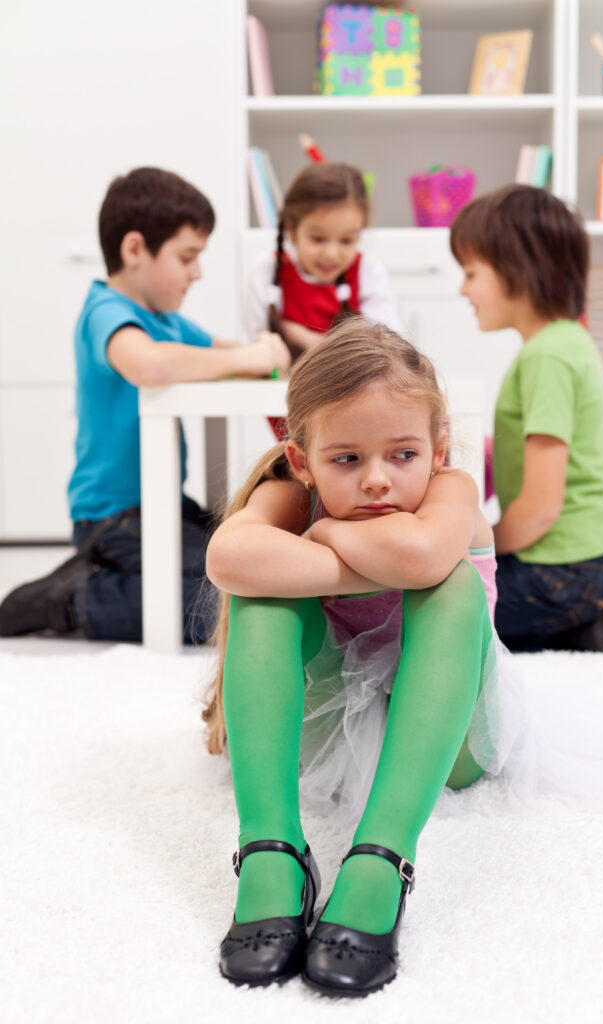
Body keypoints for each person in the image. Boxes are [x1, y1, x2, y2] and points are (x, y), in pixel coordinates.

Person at [202, 319, 500, 995]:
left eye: (402, 455)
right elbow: (226, 558)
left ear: (437, 447)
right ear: (302, 459)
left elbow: (423, 557)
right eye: (345, 460)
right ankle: (270, 847)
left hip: (449, 743)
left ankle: (382, 854)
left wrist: (327, 535)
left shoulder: (451, 492)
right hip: (329, 729)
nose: (376, 481)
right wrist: (351, 557)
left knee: (448, 583)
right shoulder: (287, 493)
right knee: (261, 595)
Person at [0, 167, 290, 643]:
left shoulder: (167, 321)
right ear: (135, 250)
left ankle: (101, 581)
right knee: (220, 602)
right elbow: (149, 366)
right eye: (187, 256)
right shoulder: (106, 313)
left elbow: (226, 354)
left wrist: (261, 353)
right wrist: (248, 355)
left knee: (244, 561)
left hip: (162, 505)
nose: (197, 272)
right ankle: (72, 599)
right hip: (113, 517)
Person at [450, 184, 603, 653]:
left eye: (471, 273)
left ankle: (596, 622)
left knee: (448, 613)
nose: (462, 289)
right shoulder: (564, 343)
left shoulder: (548, 357)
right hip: (591, 563)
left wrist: (472, 553)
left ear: (519, 269)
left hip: (564, 571)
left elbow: (539, 508)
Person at [245, 161, 402, 438]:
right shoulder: (267, 272)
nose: (331, 253)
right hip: (291, 415)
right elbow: (263, 360)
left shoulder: (367, 272)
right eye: (318, 238)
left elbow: (390, 355)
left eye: (346, 240)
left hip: (362, 416)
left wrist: (305, 338)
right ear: (291, 230)